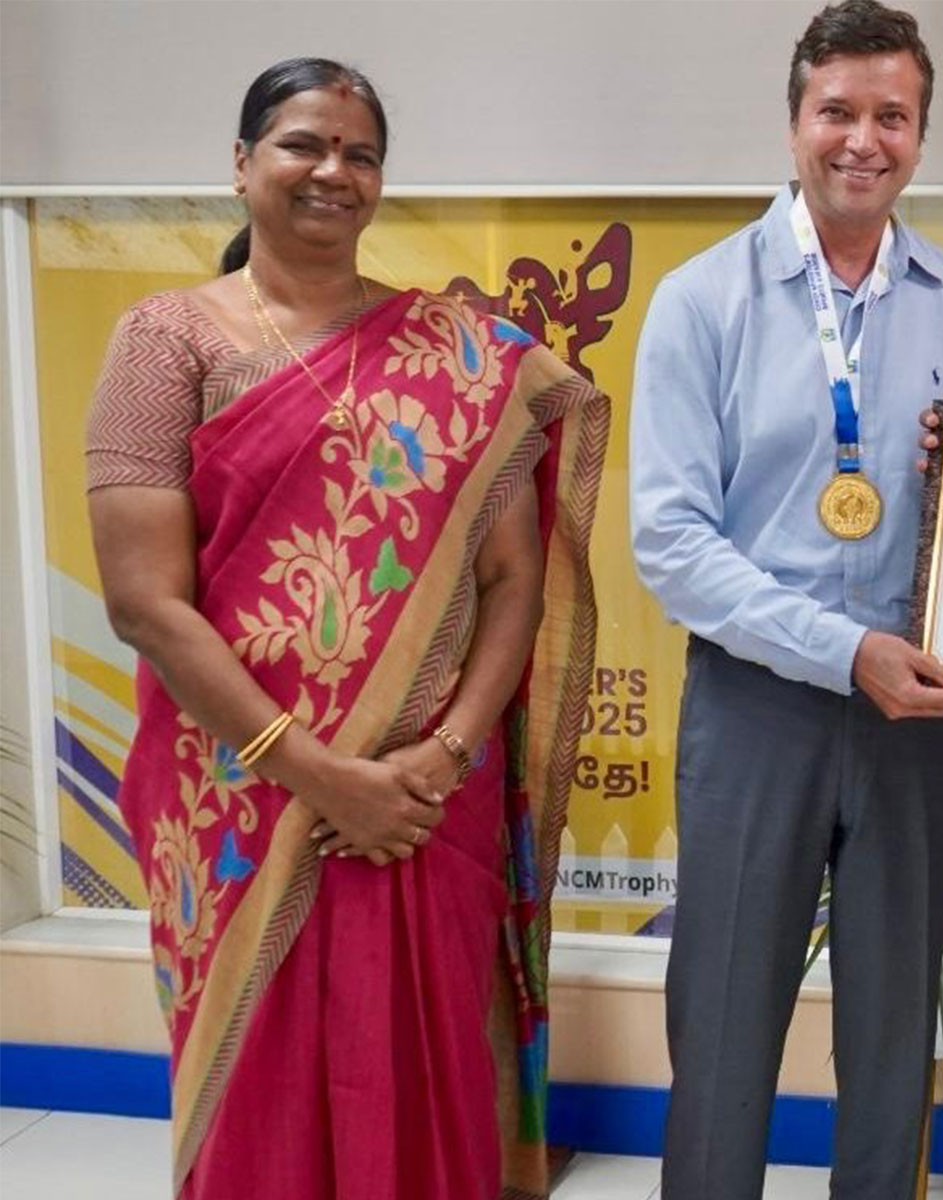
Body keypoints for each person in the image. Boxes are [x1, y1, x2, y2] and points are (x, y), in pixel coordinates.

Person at [86, 58, 608, 1200]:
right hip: (241, 794)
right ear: (242, 164)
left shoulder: (466, 355)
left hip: (424, 804)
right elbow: (143, 602)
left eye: (359, 154)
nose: (332, 170)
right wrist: (319, 775)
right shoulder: (165, 342)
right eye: (302, 144)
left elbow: (513, 579)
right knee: (258, 1097)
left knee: (424, 1074)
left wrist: (444, 755)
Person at [629, 3, 943, 1196]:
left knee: (896, 1025)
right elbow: (670, 542)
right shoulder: (704, 300)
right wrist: (844, 651)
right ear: (794, 122)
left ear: (920, 135)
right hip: (760, 706)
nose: (863, 140)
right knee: (725, 1017)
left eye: (891, 116)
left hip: (919, 717)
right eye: (836, 112)